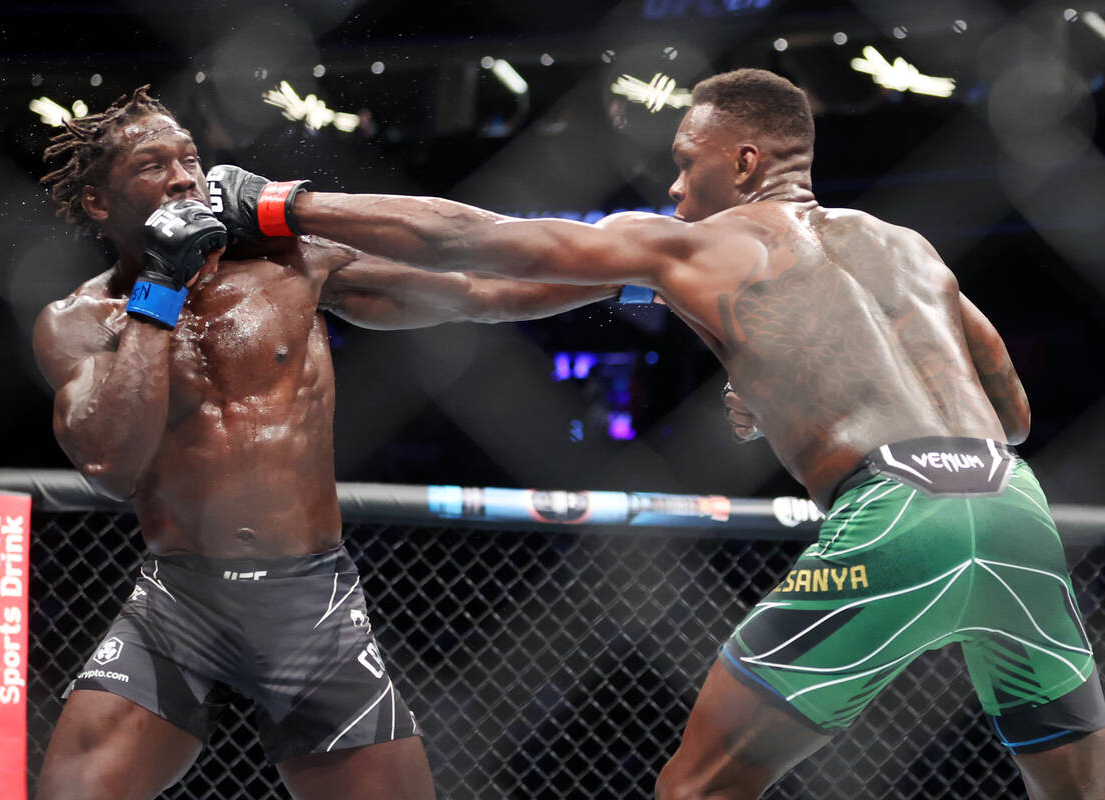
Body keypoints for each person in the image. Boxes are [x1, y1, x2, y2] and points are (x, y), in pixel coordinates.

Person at [205, 68, 1105, 799]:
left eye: (686, 162)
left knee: (698, 788)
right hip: (1017, 511)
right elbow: (1014, 417)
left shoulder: (695, 245)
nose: (673, 185)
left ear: (745, 163)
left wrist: (282, 206)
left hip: (902, 516)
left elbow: (477, 244)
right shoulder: (909, 245)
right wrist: (803, 379)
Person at [30, 86, 620, 800]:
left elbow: (477, 288)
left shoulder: (291, 264)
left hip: (309, 601)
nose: (185, 177)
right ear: (99, 204)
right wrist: (161, 283)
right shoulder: (80, 320)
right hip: (179, 602)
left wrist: (644, 278)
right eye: (154, 166)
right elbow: (109, 463)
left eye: (190, 158)